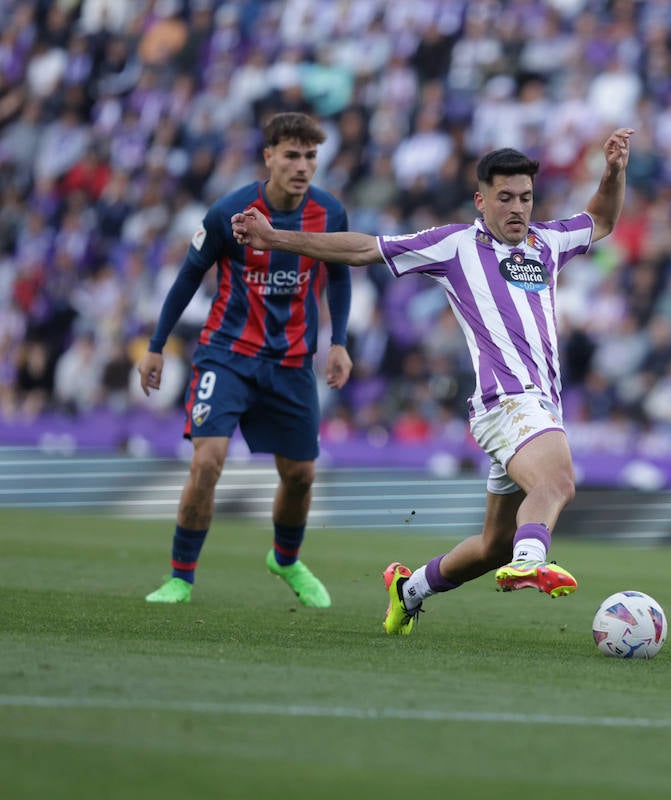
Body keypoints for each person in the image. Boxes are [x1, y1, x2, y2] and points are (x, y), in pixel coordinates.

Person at [232, 127, 635, 635]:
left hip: (538, 408)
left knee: (492, 547)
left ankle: (411, 589)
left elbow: (601, 218)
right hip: (505, 401)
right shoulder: (453, 245)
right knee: (557, 482)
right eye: (505, 197)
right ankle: (531, 559)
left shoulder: (548, 242)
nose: (517, 208)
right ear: (480, 200)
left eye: (525, 198)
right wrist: (274, 237)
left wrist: (614, 172)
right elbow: (363, 249)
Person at [140, 112, 354, 606]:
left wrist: (337, 340)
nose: (302, 166)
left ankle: (284, 558)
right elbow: (189, 275)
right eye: (292, 155)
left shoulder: (330, 213)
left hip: (293, 361)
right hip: (228, 355)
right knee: (208, 462)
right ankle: (181, 577)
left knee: (300, 475)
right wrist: (156, 345)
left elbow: (339, 274)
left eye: (310, 156)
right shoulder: (230, 211)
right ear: (269, 157)